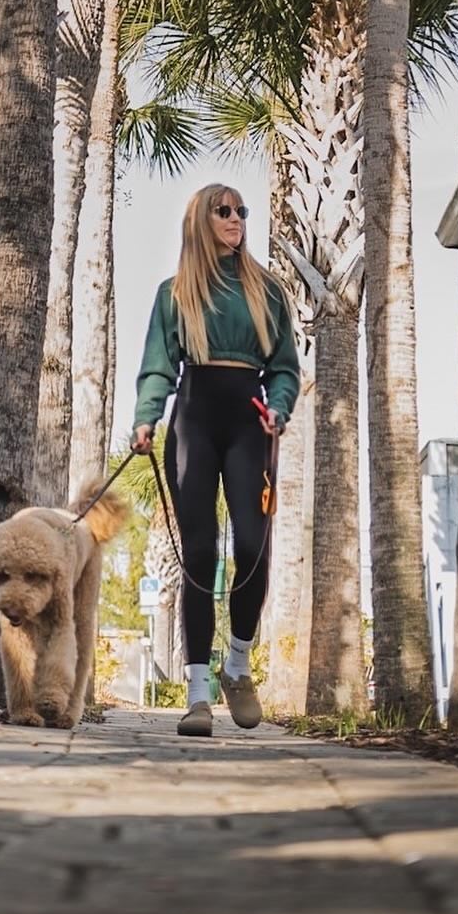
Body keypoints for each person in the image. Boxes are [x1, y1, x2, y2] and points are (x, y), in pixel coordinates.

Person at [132, 184, 300, 737]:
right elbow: (159, 365)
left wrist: (278, 408)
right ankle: (198, 693)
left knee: (253, 546)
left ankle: (238, 663)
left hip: (249, 421)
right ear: (201, 222)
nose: (235, 219)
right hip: (194, 419)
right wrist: (145, 418)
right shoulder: (175, 293)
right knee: (200, 552)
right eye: (223, 211)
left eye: (241, 210)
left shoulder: (266, 291)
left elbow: (284, 368)